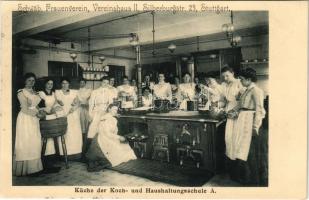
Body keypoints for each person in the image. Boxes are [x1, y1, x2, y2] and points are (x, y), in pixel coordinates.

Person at [226, 68, 266, 185]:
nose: (241, 81)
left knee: (248, 150)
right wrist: (231, 111)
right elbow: (240, 105)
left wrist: (255, 127)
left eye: (242, 79)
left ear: (249, 79)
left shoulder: (256, 91)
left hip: (250, 121)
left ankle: (251, 179)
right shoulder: (246, 90)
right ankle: (243, 177)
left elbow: (259, 109)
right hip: (242, 120)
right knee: (240, 147)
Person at [85, 105, 137, 172]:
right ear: (109, 109)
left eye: (116, 110)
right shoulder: (105, 118)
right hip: (103, 138)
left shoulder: (113, 119)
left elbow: (113, 132)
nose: (115, 111)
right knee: (118, 153)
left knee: (125, 148)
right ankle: (102, 160)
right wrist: (119, 137)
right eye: (114, 109)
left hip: (109, 137)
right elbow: (107, 133)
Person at [13, 73, 43, 176]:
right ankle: (25, 169)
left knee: (35, 142)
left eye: (33, 81)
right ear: (25, 81)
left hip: (34, 120)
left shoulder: (35, 92)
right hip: (25, 119)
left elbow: (36, 106)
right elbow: (25, 108)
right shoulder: (21, 92)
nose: (31, 82)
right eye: (29, 80)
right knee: (26, 142)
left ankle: (34, 169)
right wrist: (37, 114)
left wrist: (41, 112)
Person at [55, 77, 83, 160]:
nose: (65, 85)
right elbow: (56, 103)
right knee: (65, 134)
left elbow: (79, 103)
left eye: (66, 83)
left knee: (74, 133)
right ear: (61, 84)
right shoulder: (57, 92)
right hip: (62, 114)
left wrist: (74, 108)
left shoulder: (74, 92)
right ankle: (64, 154)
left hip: (73, 114)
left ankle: (75, 154)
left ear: (69, 84)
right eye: (63, 83)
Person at [38, 78, 60, 157]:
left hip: (52, 115)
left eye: (51, 84)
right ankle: (44, 154)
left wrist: (56, 108)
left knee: (52, 134)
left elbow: (56, 104)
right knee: (45, 135)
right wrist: (49, 110)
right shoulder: (41, 93)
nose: (50, 85)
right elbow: (40, 107)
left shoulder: (54, 93)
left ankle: (52, 154)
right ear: (45, 84)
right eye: (48, 83)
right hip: (44, 115)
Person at [88, 76, 114, 140]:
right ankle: (94, 143)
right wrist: (90, 114)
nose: (105, 84)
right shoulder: (95, 91)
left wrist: (107, 110)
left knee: (106, 127)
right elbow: (91, 104)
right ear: (101, 82)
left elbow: (111, 103)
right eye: (104, 82)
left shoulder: (110, 92)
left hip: (106, 110)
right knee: (94, 126)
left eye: (107, 83)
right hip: (96, 110)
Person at [77, 78, 92, 157]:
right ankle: (81, 146)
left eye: (83, 82)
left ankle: (87, 145)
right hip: (79, 110)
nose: (82, 84)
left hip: (87, 109)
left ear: (85, 83)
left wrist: (86, 103)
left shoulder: (89, 90)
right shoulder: (76, 92)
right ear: (79, 83)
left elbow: (90, 100)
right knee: (80, 125)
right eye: (80, 82)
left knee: (87, 126)